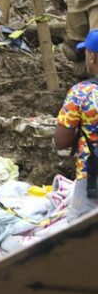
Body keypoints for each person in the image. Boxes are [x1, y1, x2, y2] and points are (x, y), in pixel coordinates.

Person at [53, 29, 98, 217]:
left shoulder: (81, 93)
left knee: (78, 234)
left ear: (93, 57)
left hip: (91, 179)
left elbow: (61, 141)